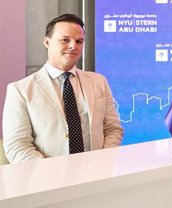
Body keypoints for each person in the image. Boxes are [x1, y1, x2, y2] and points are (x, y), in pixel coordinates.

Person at [2, 14, 123, 163]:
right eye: (65, 40)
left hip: (96, 176)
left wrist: (102, 161)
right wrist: (51, 173)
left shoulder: (99, 82)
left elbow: (113, 129)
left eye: (79, 41)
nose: (73, 46)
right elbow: (17, 145)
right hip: (46, 180)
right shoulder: (21, 90)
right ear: (47, 42)